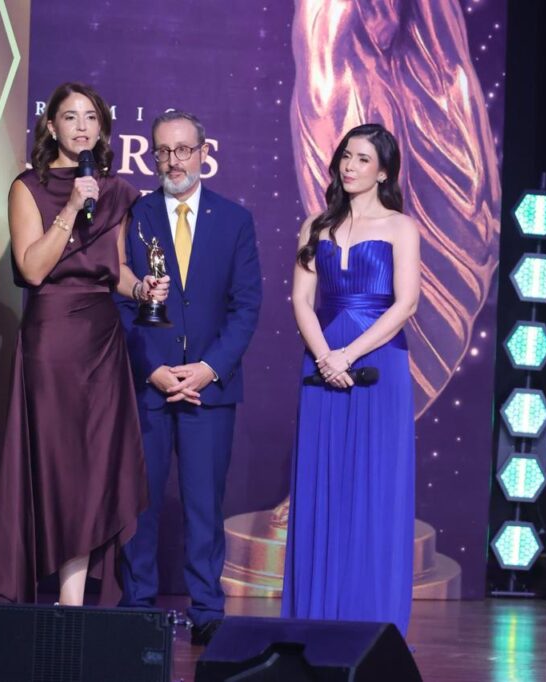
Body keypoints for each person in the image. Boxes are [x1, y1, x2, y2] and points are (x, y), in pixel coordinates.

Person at [0, 82, 165, 607]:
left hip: (102, 341)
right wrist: (71, 207)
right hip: (52, 338)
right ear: (51, 125)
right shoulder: (28, 188)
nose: (81, 127)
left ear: (102, 128)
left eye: (90, 117)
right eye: (70, 117)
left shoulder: (119, 192)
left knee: (94, 465)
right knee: (57, 462)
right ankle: (39, 590)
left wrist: (142, 289)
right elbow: (33, 269)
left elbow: (116, 269)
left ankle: (72, 601)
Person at [117, 110, 262, 645]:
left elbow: (246, 307)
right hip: (148, 385)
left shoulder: (235, 220)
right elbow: (119, 298)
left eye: (182, 150)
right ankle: (137, 609)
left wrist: (207, 369)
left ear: (203, 152)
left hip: (210, 390)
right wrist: (153, 370)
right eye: (162, 151)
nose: (172, 161)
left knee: (204, 504)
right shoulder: (135, 216)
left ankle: (206, 609)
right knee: (141, 504)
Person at [281, 123, 420, 636]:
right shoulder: (315, 226)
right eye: (346, 156)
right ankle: (314, 622)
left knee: (374, 490)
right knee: (322, 485)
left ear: (383, 172)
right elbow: (301, 299)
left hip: (378, 365)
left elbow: (406, 304)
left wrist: (347, 356)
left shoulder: (401, 228)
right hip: (321, 363)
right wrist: (324, 357)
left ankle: (371, 625)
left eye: (362, 159)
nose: (350, 166)